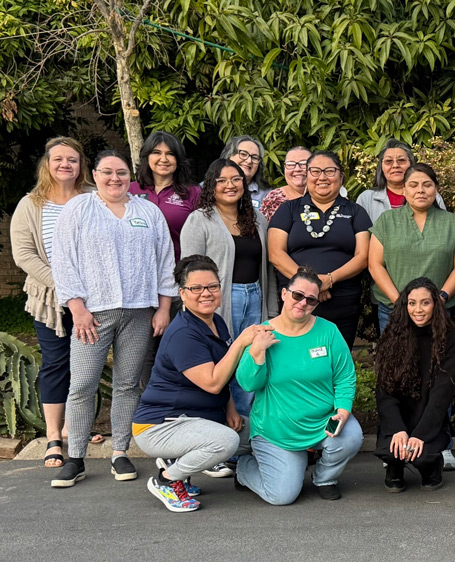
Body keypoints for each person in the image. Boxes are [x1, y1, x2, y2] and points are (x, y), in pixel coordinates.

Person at [50, 150, 176, 488]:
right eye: (107, 172)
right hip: (92, 314)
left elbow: (165, 262)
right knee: (82, 384)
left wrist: (164, 308)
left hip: (139, 312)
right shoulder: (79, 208)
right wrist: (77, 308)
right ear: (94, 174)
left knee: (126, 384)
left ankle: (120, 451)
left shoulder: (147, 212)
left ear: (130, 176)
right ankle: (75, 457)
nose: (114, 179)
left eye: (121, 173)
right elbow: (63, 260)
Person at [133, 255, 271, 512]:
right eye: (196, 288)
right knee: (226, 442)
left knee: (260, 431)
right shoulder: (184, 333)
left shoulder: (215, 321)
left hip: (196, 418)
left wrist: (231, 408)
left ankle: (177, 463)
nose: (205, 293)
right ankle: (166, 480)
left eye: (212, 286)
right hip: (160, 425)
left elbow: (223, 373)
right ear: (182, 293)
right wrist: (242, 342)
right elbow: (212, 383)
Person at [234, 268, 364, 504]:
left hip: (322, 422)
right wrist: (257, 350)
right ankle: (245, 468)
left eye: (311, 300)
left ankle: (324, 478)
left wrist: (343, 411)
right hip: (278, 430)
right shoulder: (262, 332)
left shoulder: (329, 332)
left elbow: (345, 376)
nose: (303, 303)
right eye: (297, 295)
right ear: (284, 294)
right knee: (282, 496)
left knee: (352, 436)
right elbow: (248, 383)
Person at [10, 137, 93, 467]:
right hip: (50, 300)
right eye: (58, 159)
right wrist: (65, 287)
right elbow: (24, 255)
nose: (65, 165)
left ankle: (78, 426)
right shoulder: (30, 204)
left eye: (72, 160)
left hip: (93, 298)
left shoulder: (92, 199)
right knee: (57, 363)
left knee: (86, 362)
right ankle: (55, 436)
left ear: (80, 165)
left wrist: (85, 290)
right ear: (47, 164)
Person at [180, 158, 272, 424]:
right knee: (222, 364)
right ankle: (218, 432)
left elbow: (267, 269)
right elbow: (189, 270)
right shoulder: (200, 220)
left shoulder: (257, 219)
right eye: (221, 180)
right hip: (219, 302)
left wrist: (272, 309)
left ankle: (243, 432)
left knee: (250, 362)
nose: (230, 185)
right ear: (211, 186)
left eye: (236, 179)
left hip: (256, 297)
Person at [268, 151, 371, 347]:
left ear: (341, 177)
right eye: (315, 171)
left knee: (337, 361)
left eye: (330, 171)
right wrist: (313, 284)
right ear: (306, 176)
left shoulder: (355, 212)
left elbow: (363, 255)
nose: (322, 177)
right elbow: (276, 254)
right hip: (298, 301)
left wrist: (330, 279)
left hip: (343, 300)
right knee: (297, 358)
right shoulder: (288, 209)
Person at [375, 278, 455, 492]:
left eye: (425, 303)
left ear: (436, 304)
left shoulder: (449, 339)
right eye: (412, 303)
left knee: (422, 455)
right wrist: (397, 429)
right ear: (405, 306)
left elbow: (442, 395)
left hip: (429, 418)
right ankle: (394, 467)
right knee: (392, 449)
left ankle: (431, 466)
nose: (418, 309)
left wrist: (420, 435)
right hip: (399, 419)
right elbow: (384, 391)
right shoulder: (393, 335)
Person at [369, 162, 455, 333]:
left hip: (438, 311)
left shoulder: (450, 222)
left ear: (436, 189)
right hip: (393, 310)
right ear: (404, 190)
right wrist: (402, 303)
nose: (420, 190)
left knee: (436, 359)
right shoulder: (387, 220)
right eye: (413, 185)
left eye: (427, 185)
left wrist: (441, 298)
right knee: (396, 359)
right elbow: (375, 265)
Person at [129, 131, 201, 262]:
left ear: (178, 160)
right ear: (147, 157)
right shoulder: (129, 190)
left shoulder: (193, 193)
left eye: (170, 154)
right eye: (157, 153)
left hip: (178, 271)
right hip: (137, 269)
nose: (164, 159)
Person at [357, 139, 445, 223]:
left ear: (411, 164)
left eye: (401, 160)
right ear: (381, 167)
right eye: (389, 161)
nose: (395, 165)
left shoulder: (431, 196)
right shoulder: (367, 198)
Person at [220, 135, 270, 207]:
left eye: (255, 158)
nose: (249, 161)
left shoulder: (268, 195)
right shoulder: (206, 188)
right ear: (228, 156)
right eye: (243, 154)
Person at [259, 147, 307, 221]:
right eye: (291, 164)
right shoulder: (274, 199)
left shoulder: (326, 196)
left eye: (304, 164)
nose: (297, 169)